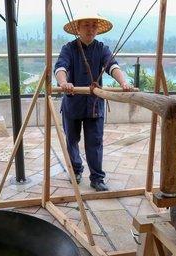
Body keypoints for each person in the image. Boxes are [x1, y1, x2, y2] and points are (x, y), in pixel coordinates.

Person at [54, 11, 135, 191]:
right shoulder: (69, 48)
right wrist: (63, 82)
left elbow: (112, 66)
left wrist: (123, 82)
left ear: (97, 29)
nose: (90, 29)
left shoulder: (102, 49)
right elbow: (60, 67)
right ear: (78, 28)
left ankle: (97, 178)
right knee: (72, 139)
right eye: (86, 25)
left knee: (95, 141)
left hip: (94, 105)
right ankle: (75, 169)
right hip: (73, 102)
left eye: (93, 25)